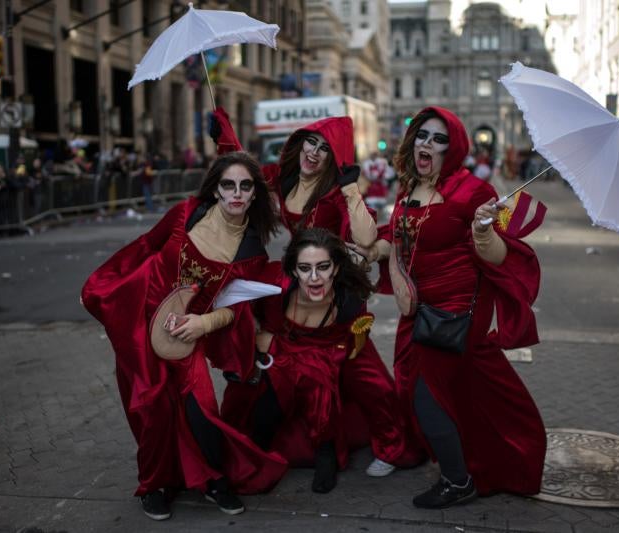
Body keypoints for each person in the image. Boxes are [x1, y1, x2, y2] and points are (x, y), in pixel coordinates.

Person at [211, 108, 418, 477]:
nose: (314, 152)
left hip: (336, 290)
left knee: (363, 376)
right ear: (300, 142)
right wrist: (224, 134)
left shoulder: (335, 192)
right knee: (271, 346)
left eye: (325, 148)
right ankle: (268, 432)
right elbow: (243, 171)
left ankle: (393, 444)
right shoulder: (283, 176)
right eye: (311, 142)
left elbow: (366, 238)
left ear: (334, 158)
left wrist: (350, 187)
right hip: (299, 282)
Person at [81, 152, 287, 521]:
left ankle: (213, 479)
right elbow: (145, 246)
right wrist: (107, 283)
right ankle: (154, 485)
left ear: (254, 193)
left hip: (187, 333)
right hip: (141, 321)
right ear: (216, 189)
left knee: (201, 405)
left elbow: (237, 309)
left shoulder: (252, 251)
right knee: (152, 407)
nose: (237, 192)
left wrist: (202, 325)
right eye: (228, 184)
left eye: (245, 185)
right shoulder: (185, 213)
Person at [358, 106, 546, 509]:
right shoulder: (409, 187)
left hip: (456, 311)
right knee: (423, 386)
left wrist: (482, 231)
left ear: (454, 147)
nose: (427, 143)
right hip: (417, 307)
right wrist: (373, 251)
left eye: (439, 138)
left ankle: (457, 480)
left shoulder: (473, 192)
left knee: (426, 394)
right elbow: (399, 236)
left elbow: (498, 256)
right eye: (422, 135)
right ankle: (474, 457)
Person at [222, 228, 393, 493]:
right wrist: (257, 333)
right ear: (293, 270)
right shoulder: (274, 284)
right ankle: (257, 448)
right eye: (305, 268)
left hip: (322, 352)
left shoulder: (348, 300)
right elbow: (234, 299)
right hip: (278, 348)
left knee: (319, 385)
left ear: (336, 268)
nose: (314, 278)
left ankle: (326, 451)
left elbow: (347, 342)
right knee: (269, 402)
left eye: (323, 267)